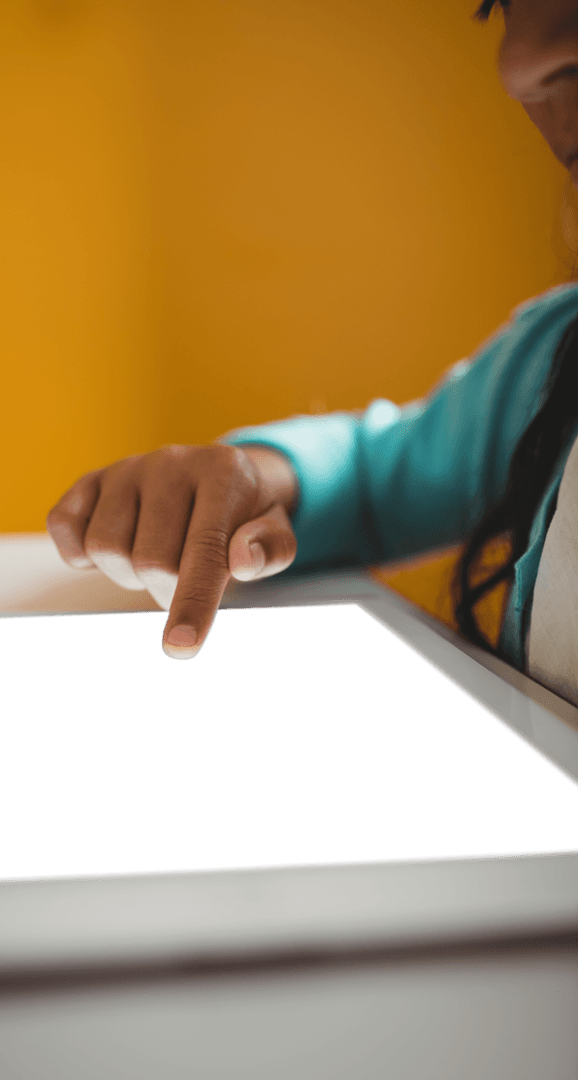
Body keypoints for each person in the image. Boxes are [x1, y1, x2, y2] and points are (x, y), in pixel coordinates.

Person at [47, 0, 578, 709]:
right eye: (500, 3)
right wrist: (256, 478)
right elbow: (373, 477)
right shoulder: (556, 357)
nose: (519, 63)